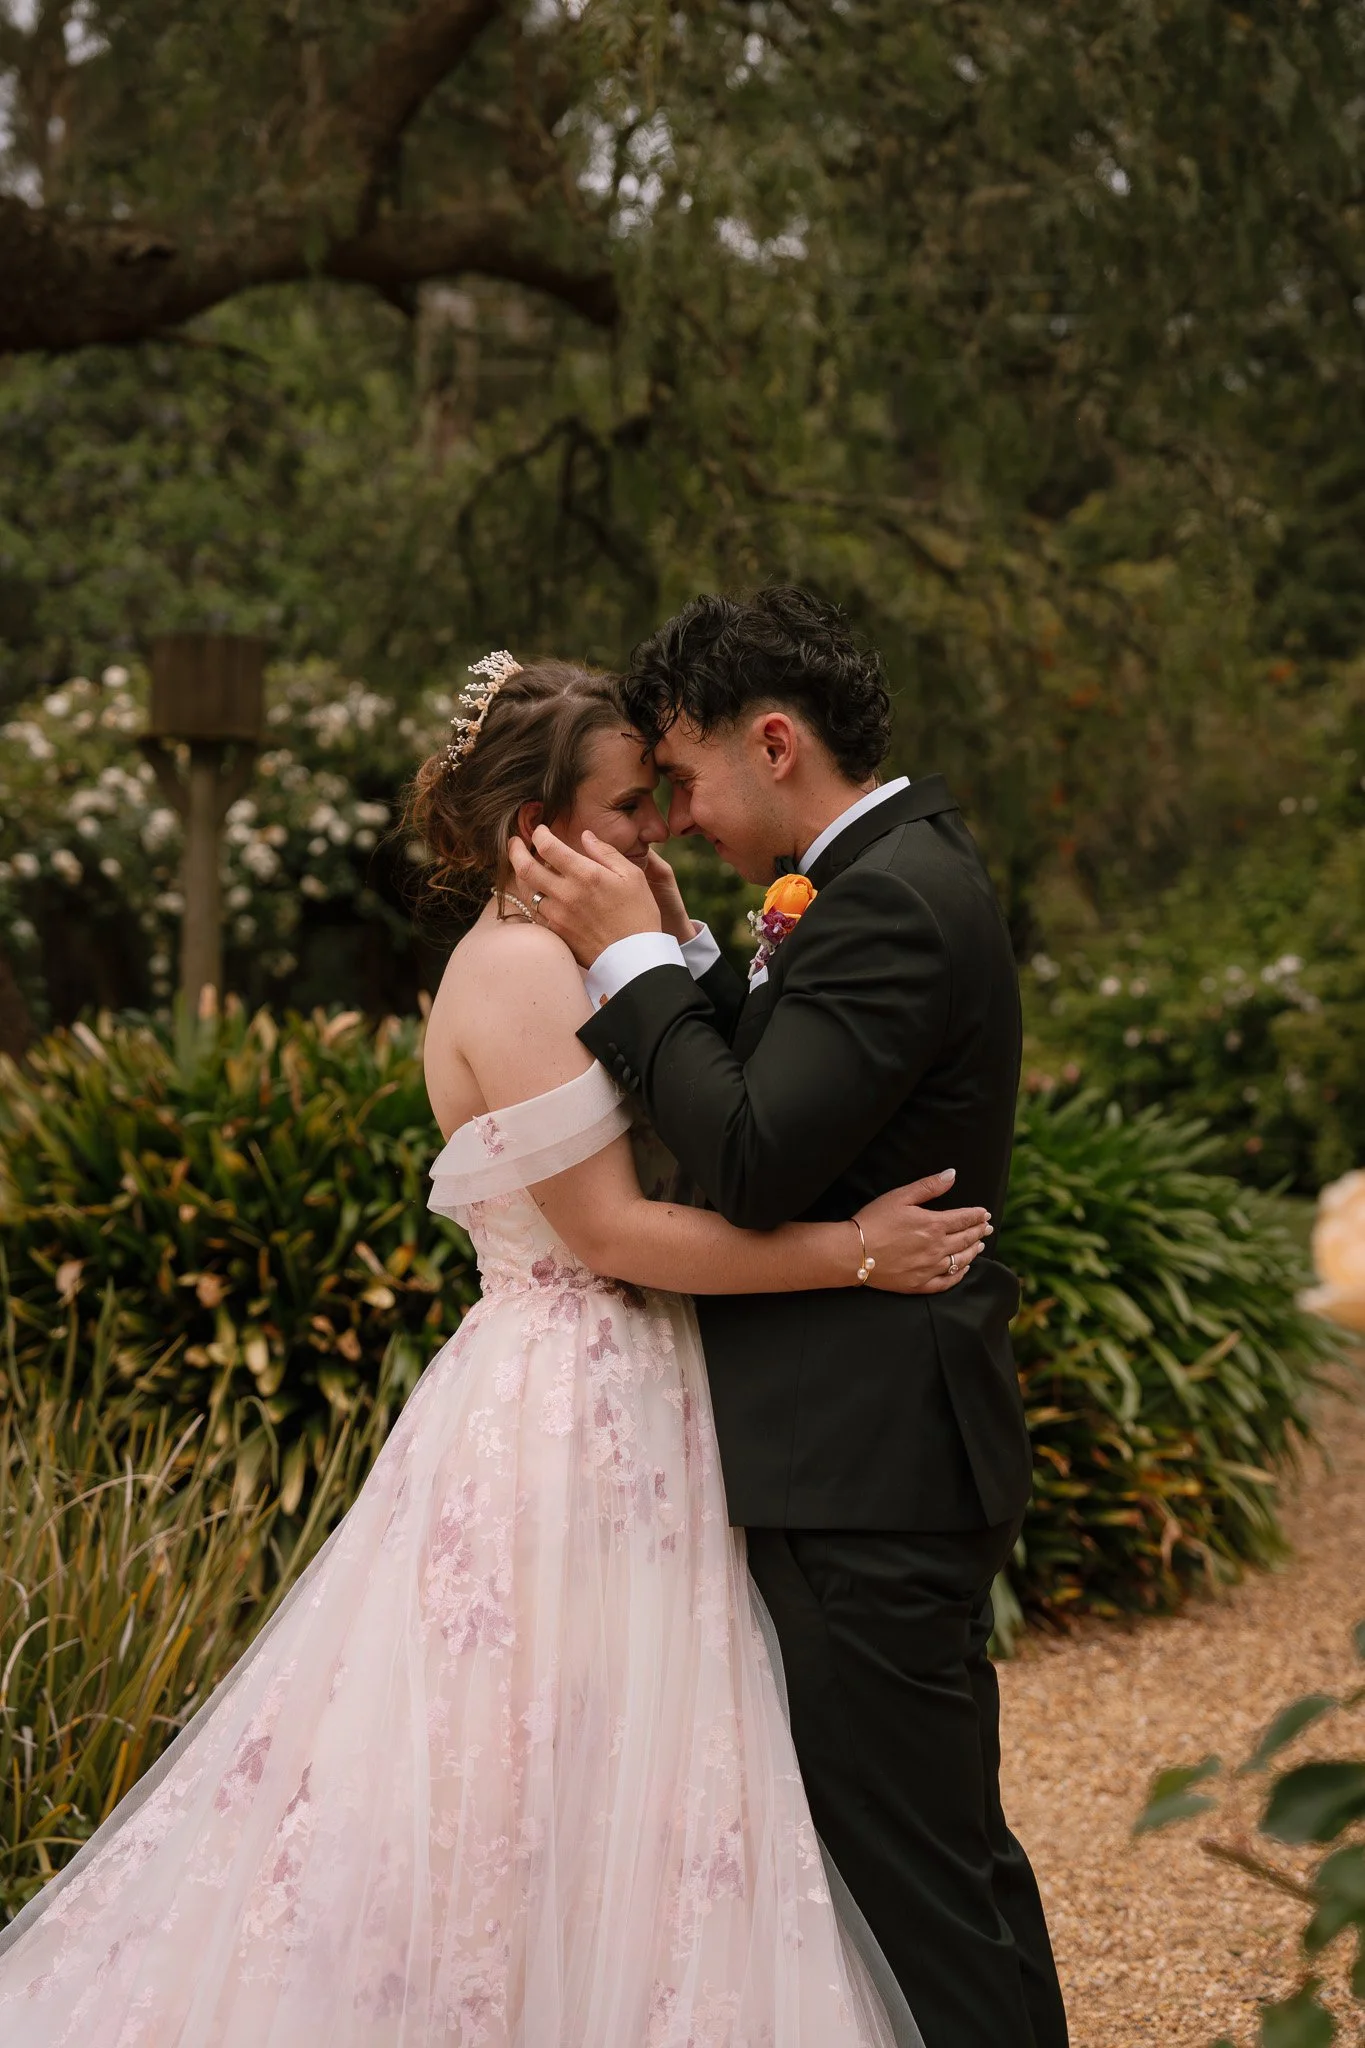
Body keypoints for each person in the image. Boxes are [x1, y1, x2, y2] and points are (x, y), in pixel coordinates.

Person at [0, 651, 993, 2047]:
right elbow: (613, 1232)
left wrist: (671, 948)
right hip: (569, 1411)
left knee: (628, 1772)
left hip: (640, 1395)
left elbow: (714, 1102)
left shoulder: (576, 955)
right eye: (628, 803)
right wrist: (854, 1252)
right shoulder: (521, 971)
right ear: (535, 827)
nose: (656, 826)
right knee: (528, 1769)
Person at [510, 591, 1071, 2048]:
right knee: (949, 1864)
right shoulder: (878, 873)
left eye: (682, 779)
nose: (677, 820)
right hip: (873, 1456)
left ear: (773, 744)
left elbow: (754, 1155)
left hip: (861, 1468)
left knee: (914, 1890)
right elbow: (795, 1082)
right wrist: (691, 962)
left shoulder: (886, 900)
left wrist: (629, 964)